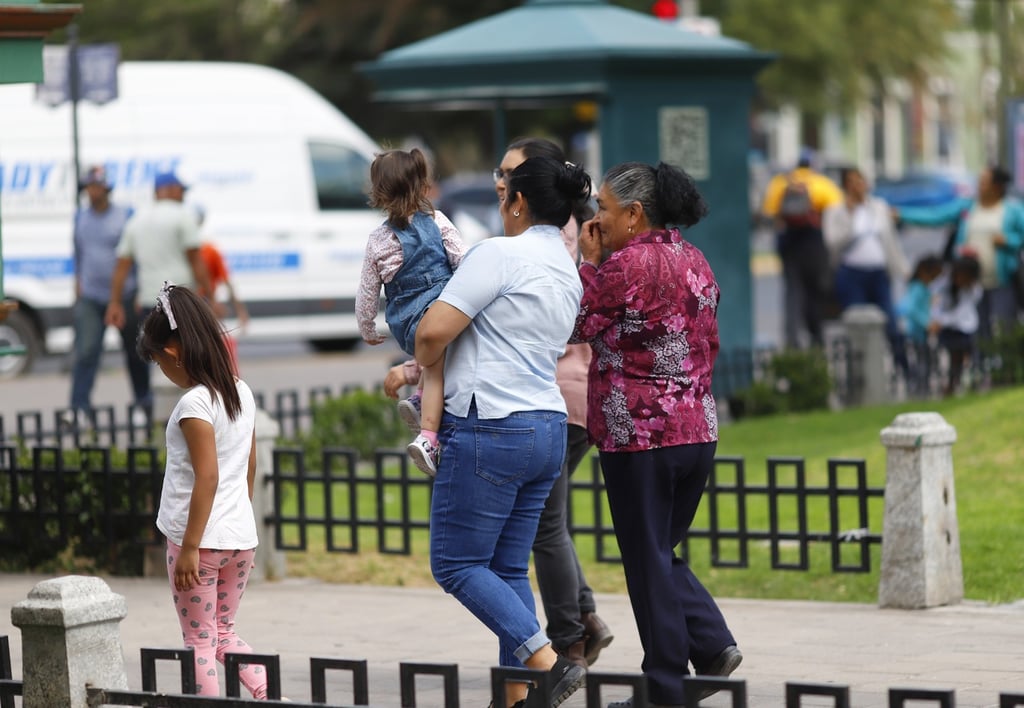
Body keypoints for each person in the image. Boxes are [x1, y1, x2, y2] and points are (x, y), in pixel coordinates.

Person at [414, 156, 590, 708]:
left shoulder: (498, 253)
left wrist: (423, 360)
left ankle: (548, 662)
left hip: (491, 423)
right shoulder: (568, 268)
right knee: (509, 567)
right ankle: (515, 697)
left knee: (457, 563)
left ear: (517, 203)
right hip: (546, 426)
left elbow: (432, 333)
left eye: (503, 195)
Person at [572, 161, 741, 708]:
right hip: (696, 429)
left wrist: (589, 263)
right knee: (658, 551)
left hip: (640, 436)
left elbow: (572, 324)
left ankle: (666, 689)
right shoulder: (696, 259)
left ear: (635, 214)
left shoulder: (624, 264)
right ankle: (712, 648)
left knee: (648, 561)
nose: (595, 220)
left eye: (603, 209)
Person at [495, 136, 613, 668]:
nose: (501, 182)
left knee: (543, 525)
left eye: (511, 173)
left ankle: (567, 640)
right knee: (550, 521)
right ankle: (583, 618)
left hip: (558, 395)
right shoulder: (568, 233)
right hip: (573, 396)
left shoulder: (553, 241)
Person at [136, 283, 268, 700]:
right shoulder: (238, 390)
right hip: (239, 540)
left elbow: (205, 477)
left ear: (172, 354)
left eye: (158, 362)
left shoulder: (194, 405)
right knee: (225, 635)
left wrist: (191, 546)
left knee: (200, 643)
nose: (162, 370)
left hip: (199, 544)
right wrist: (235, 518)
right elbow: (249, 464)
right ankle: (272, 694)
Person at [355, 148, 465, 477]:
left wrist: (367, 329)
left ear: (378, 193)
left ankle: (418, 400)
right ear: (422, 186)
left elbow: (366, 292)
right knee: (436, 369)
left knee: (431, 358)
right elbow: (464, 261)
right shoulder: (438, 221)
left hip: (404, 322)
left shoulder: (377, 240)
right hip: (437, 314)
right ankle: (429, 438)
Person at [105, 169, 213, 418]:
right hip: (181, 301)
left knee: (146, 352)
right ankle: (196, 401)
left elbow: (122, 266)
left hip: (149, 302)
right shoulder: (183, 216)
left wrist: (115, 302)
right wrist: (210, 295)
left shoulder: (137, 220)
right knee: (190, 349)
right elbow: (196, 260)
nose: (183, 195)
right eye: (181, 190)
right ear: (170, 190)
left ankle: (143, 405)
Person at [64, 165, 150, 427]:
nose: (92, 191)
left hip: (125, 294)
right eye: (88, 186)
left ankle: (142, 403)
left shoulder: (125, 215)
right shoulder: (81, 217)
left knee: (135, 351)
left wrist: (139, 292)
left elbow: (137, 254)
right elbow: (79, 253)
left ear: (106, 188)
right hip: (91, 295)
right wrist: (78, 285)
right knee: (86, 351)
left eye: (96, 186)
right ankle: (79, 408)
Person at [897, 165, 1024, 340]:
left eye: (984, 183)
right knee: (975, 330)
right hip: (969, 283)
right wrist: (902, 214)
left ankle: (1006, 366)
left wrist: (1009, 240)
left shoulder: (1013, 210)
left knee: (1005, 328)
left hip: (1001, 281)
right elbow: (936, 215)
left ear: (997, 186)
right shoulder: (968, 206)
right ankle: (979, 365)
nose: (979, 186)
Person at [823, 166, 911, 378]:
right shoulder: (835, 211)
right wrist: (851, 215)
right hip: (852, 274)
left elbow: (891, 242)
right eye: (851, 182)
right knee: (857, 324)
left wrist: (903, 270)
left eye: (860, 181)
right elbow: (833, 243)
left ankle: (906, 370)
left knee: (891, 324)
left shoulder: (878, 207)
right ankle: (860, 377)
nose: (857, 186)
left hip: (879, 274)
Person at [761, 149, 844, 348]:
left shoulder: (780, 183)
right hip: (813, 243)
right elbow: (837, 210)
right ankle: (816, 336)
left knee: (792, 292)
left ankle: (792, 340)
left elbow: (769, 212)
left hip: (789, 242)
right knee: (815, 291)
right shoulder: (822, 183)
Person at [930, 255, 983, 396]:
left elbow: (961, 314)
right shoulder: (944, 285)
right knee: (952, 358)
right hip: (948, 329)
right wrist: (936, 319)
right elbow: (935, 298)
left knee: (965, 357)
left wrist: (940, 321)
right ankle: (952, 384)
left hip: (965, 328)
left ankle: (965, 382)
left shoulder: (973, 290)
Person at [199, 240, 249, 375]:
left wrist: (241, 311)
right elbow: (227, 282)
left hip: (202, 302)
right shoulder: (207, 251)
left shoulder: (209, 251)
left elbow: (226, 281)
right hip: (201, 303)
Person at [897, 255, 944, 396]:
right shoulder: (918, 287)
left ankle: (922, 388)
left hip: (920, 333)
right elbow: (911, 309)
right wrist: (927, 323)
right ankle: (920, 390)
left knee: (924, 361)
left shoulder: (922, 288)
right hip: (915, 332)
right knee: (921, 362)